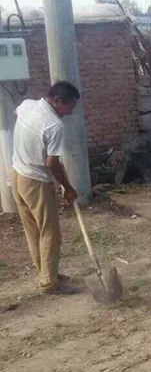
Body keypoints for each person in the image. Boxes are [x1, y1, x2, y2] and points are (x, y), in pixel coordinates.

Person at [11, 81, 80, 295]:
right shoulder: (54, 126)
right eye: (70, 107)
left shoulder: (27, 105)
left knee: (33, 230)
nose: (70, 112)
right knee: (50, 232)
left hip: (16, 175)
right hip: (35, 181)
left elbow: (15, 113)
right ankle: (49, 283)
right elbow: (52, 163)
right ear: (57, 101)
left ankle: (46, 273)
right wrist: (67, 187)